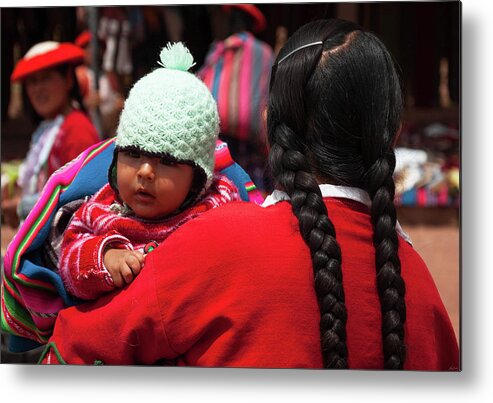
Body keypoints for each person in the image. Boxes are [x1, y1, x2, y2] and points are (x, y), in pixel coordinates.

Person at [40, 19, 459, 370]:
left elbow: (71, 352)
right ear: (395, 134)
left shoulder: (210, 243)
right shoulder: (423, 295)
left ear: (266, 121)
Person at [57, 42, 240, 301]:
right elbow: (68, 258)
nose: (145, 171)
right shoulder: (102, 209)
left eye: (166, 161)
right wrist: (105, 257)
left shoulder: (219, 209)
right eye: (133, 154)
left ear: (197, 179)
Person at [1, 41, 100, 228]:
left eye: (46, 78)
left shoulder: (76, 129)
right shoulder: (50, 127)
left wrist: (22, 207)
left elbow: (76, 197)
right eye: (32, 81)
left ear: (68, 79)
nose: (38, 89)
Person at [198, 4, 274, 195]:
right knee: (252, 193)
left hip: (226, 145)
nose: (213, 23)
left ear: (228, 15)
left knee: (225, 192)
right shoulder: (264, 52)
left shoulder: (222, 50)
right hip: (253, 148)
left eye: (215, 16)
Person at [74, 30, 125, 138]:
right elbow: (73, 106)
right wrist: (86, 104)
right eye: (89, 48)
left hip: (111, 131)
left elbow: (119, 97)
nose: (95, 51)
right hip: (91, 132)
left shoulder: (109, 75)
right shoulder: (81, 74)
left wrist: (120, 104)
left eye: (98, 47)